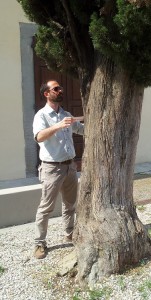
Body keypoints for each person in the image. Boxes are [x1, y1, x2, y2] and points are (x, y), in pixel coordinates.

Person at [33, 79, 84, 259]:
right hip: (51, 169)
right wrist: (57, 126)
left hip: (70, 166)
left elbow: (80, 129)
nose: (60, 90)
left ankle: (69, 233)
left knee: (70, 204)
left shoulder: (66, 114)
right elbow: (39, 137)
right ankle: (39, 243)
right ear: (47, 93)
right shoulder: (41, 116)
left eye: (60, 87)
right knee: (45, 208)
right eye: (56, 88)